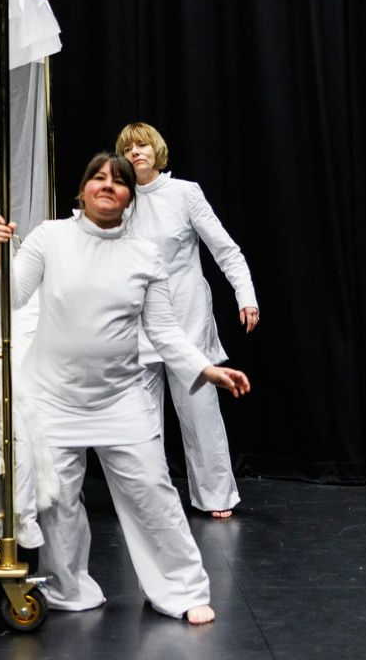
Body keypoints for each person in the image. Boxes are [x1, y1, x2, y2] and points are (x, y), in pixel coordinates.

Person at [0, 152, 251, 625]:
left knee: (154, 493)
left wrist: (204, 368)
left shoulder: (144, 254)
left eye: (119, 181)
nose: (108, 185)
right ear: (83, 189)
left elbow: (165, 331)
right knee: (58, 500)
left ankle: (182, 590)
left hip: (120, 399)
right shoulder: (51, 238)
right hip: (53, 397)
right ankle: (69, 589)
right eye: (98, 177)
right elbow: (10, 298)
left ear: (131, 196)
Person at [116, 122, 258, 519]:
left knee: (200, 413)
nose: (135, 153)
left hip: (186, 319)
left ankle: (216, 494)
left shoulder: (184, 193)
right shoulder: (121, 199)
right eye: (128, 148)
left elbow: (226, 250)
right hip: (138, 322)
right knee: (141, 418)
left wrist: (245, 296)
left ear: (156, 150)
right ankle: (146, 500)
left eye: (142, 145)